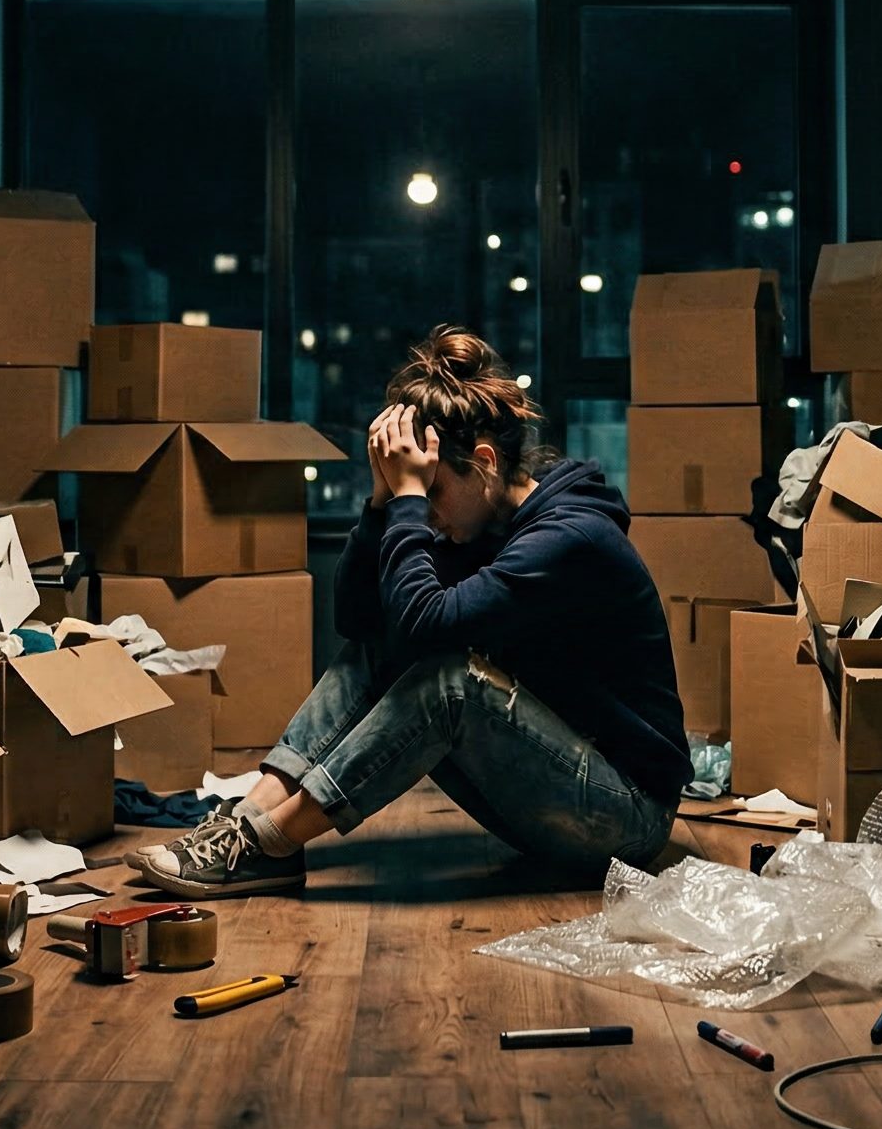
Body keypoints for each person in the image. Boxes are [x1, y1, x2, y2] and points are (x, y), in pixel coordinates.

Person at [132, 326, 690, 899]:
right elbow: (359, 622)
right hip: (562, 786)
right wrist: (380, 503)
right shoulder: (480, 520)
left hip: (626, 818)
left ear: (485, 462)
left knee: (448, 680)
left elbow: (428, 627)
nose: (424, 513)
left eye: (433, 490)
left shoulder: (571, 538)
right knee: (386, 644)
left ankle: (269, 843)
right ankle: (246, 823)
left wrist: (405, 501)